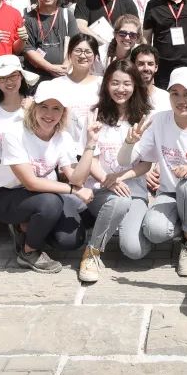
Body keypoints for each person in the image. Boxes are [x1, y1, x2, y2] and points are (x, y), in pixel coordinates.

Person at [108, 67, 187, 276]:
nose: (181, 100)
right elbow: (127, 160)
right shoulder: (159, 120)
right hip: (170, 194)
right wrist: (129, 143)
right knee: (154, 231)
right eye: (175, 94)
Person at [0, 78, 93, 273]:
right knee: (50, 203)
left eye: (56, 108)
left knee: (70, 241)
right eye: (44, 107)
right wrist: (73, 190)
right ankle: (29, 251)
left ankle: (27, 227)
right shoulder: (15, 132)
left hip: (42, 196)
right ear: (34, 107)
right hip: (5, 196)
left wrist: (90, 144)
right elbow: (31, 183)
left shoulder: (63, 137)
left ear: (64, 112)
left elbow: (76, 178)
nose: (49, 114)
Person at [67, 58, 153, 281]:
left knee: (133, 250)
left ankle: (145, 224)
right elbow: (91, 158)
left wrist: (120, 177)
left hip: (134, 190)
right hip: (100, 189)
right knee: (119, 202)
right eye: (115, 83)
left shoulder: (144, 118)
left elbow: (145, 163)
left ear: (135, 85)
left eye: (126, 83)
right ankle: (92, 252)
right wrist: (109, 180)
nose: (120, 89)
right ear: (106, 84)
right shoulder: (94, 115)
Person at [22, 0, 77, 82]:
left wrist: (65, 67)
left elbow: (75, 44)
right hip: (37, 78)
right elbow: (28, 49)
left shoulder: (67, 15)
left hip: (65, 77)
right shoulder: (28, 18)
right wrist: (50, 68)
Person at [51, 35, 103, 141]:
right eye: (78, 51)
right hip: (64, 145)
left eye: (88, 52)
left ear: (95, 56)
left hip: (95, 143)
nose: (83, 56)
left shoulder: (102, 84)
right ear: (69, 54)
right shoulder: (56, 84)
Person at [130, 44, 171, 112]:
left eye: (150, 64)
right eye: (141, 64)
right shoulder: (126, 96)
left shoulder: (166, 98)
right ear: (133, 66)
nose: (146, 68)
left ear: (156, 67)